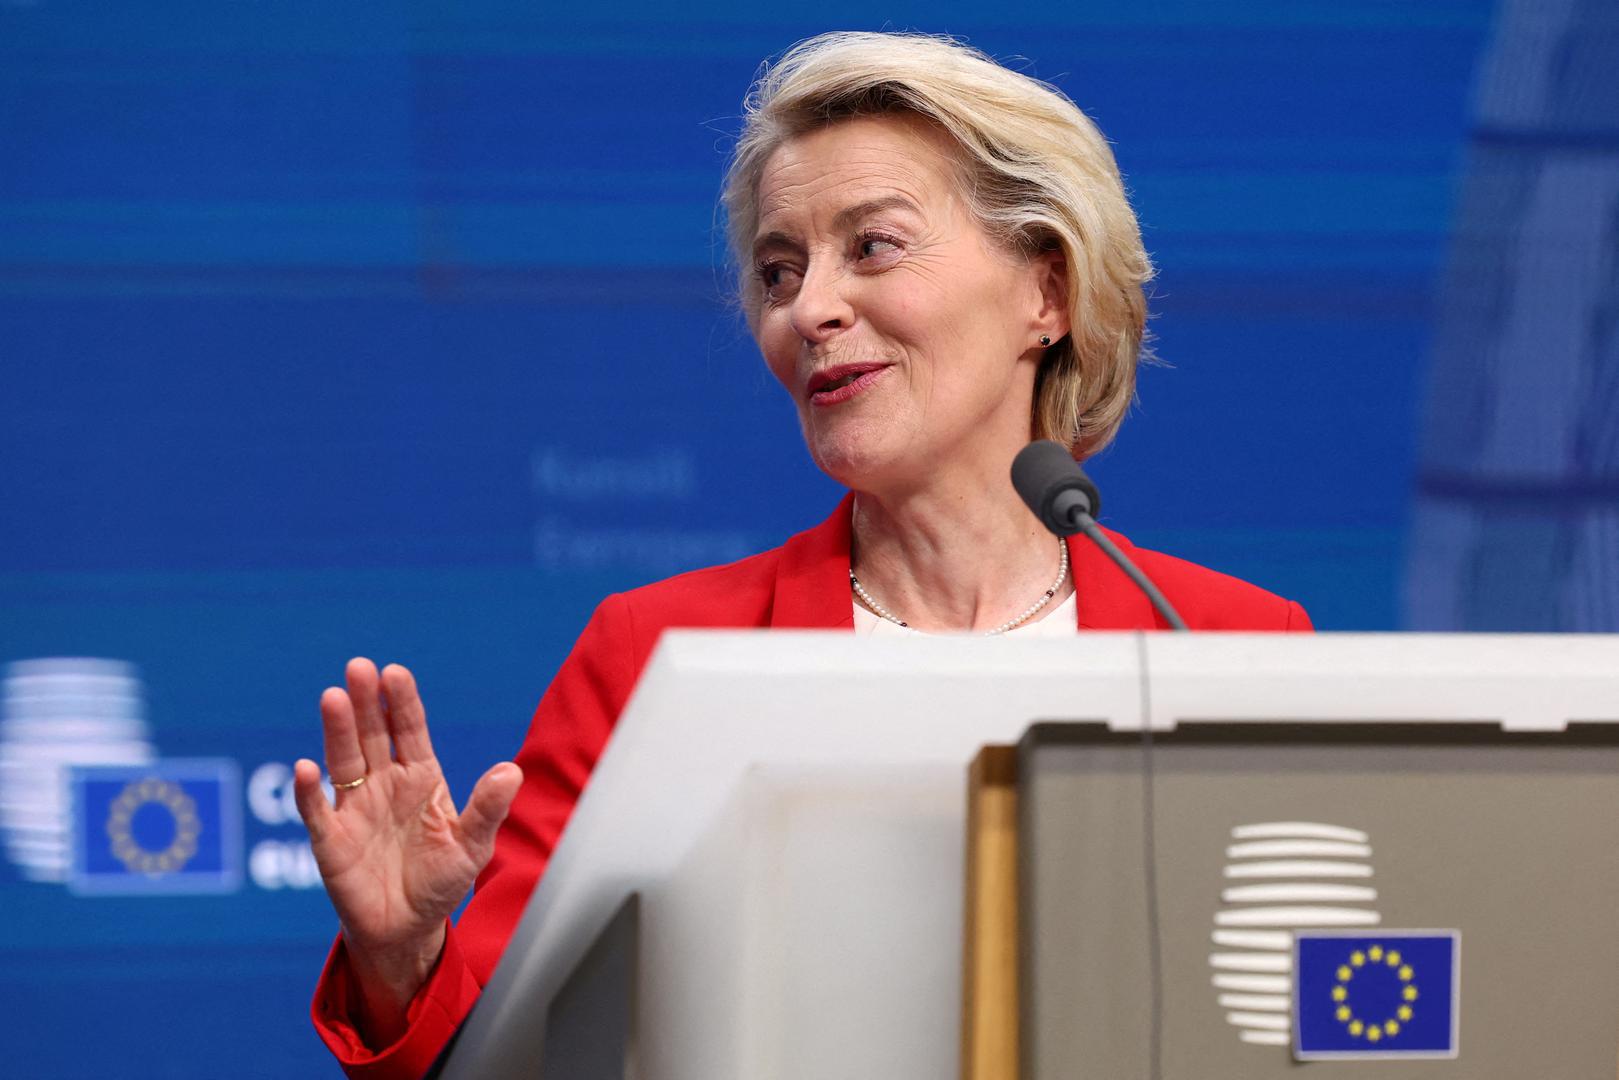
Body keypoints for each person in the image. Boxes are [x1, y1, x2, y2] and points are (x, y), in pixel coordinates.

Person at [295, 30, 1312, 1078]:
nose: (809, 310)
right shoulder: (658, 653)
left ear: (1043, 293)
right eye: (779, 272)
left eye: (872, 247)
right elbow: (513, 1054)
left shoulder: (1225, 641)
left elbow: (1308, 1017)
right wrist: (402, 957)